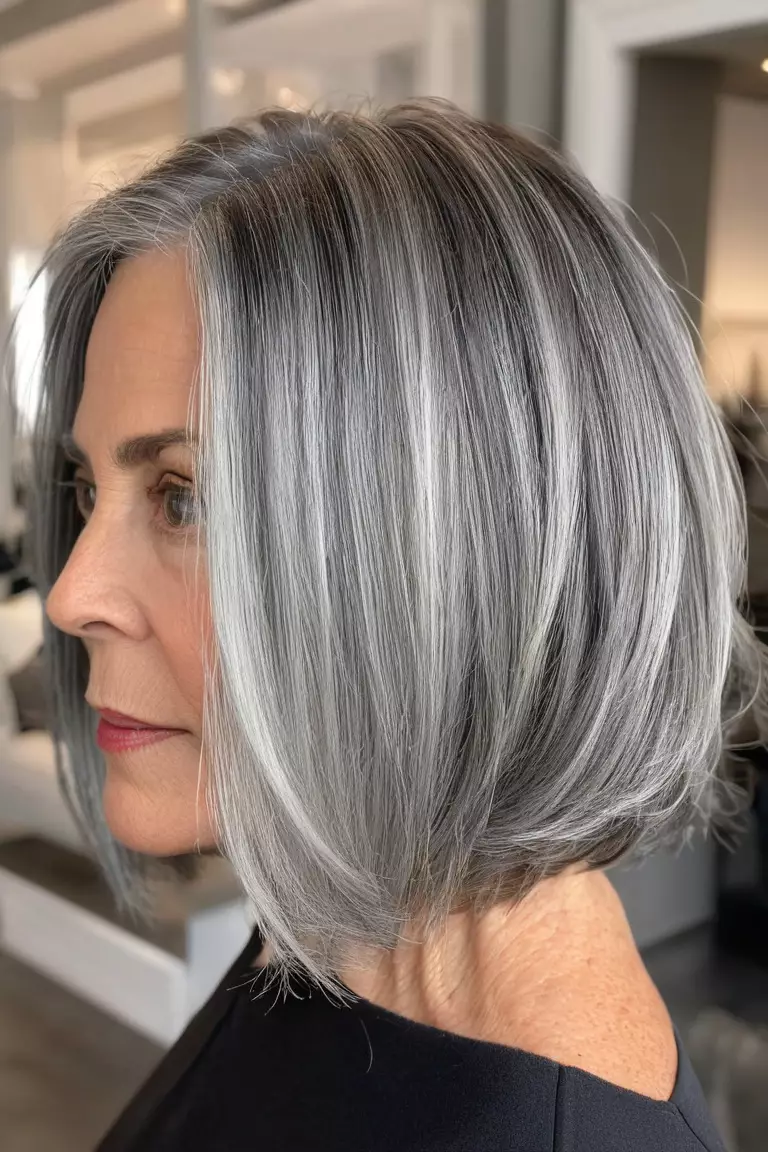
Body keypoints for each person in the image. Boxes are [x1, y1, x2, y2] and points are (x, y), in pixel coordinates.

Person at [25, 99, 757, 1151]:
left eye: (185, 498)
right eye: (87, 491)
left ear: (460, 550)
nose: (71, 592)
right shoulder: (342, 933)